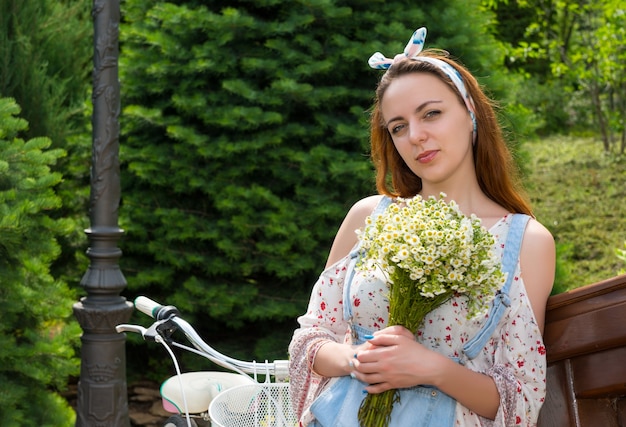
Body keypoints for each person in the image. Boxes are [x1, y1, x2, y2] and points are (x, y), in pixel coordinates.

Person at [288, 27, 555, 427]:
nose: (416, 136)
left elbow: (521, 393)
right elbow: (310, 339)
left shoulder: (526, 242)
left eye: (431, 113)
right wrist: (358, 358)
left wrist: (432, 369)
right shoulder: (370, 217)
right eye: (398, 127)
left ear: (470, 114)